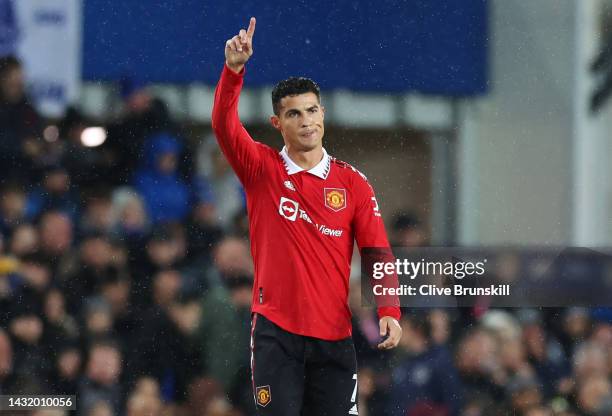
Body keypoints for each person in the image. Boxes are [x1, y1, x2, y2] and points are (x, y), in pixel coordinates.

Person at [212, 17, 402, 415]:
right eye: (294, 114)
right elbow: (224, 125)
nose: (306, 121)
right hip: (275, 334)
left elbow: (377, 252)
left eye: (312, 110)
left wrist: (389, 309)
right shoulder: (261, 169)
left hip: (333, 338)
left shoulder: (353, 184)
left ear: (323, 114)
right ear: (277, 123)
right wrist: (233, 71)